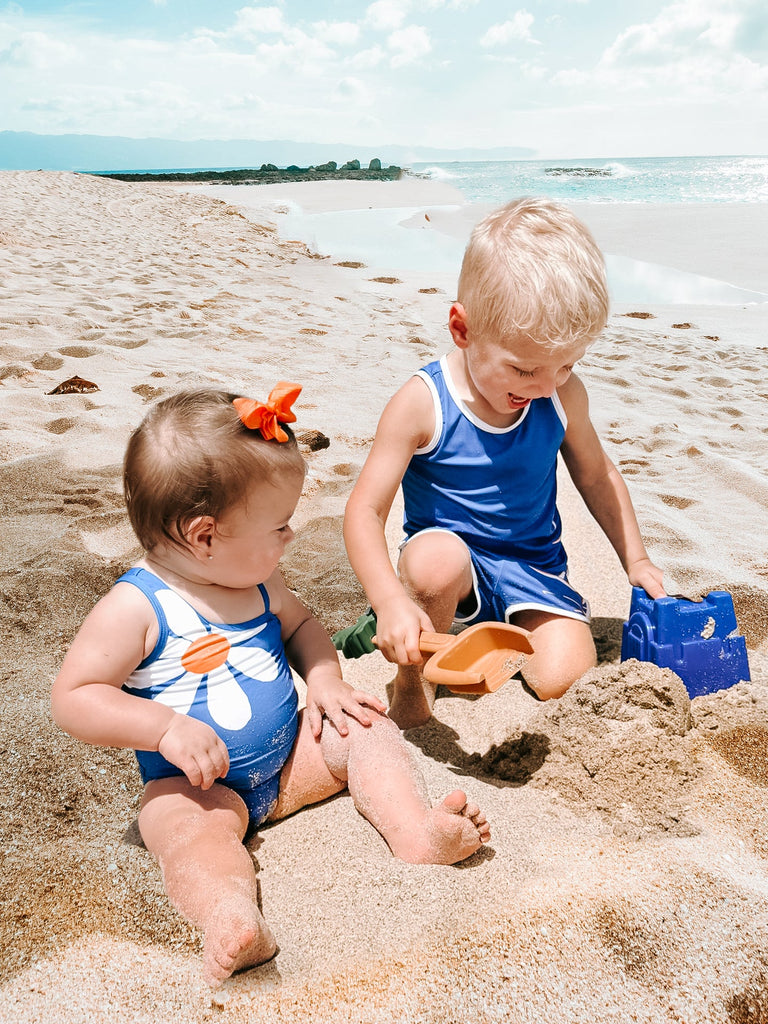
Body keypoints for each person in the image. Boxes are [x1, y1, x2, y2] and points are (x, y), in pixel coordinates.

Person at [51, 386, 490, 988]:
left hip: (290, 764)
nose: (289, 538)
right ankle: (230, 914)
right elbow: (74, 697)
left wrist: (327, 678)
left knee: (365, 726)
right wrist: (165, 727)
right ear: (204, 536)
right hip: (200, 787)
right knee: (179, 831)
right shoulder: (137, 607)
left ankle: (413, 829)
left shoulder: (259, 580)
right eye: (279, 526)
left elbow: (304, 626)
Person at [343, 198, 666, 730]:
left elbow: (597, 474)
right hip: (450, 574)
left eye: (566, 365)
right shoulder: (424, 403)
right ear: (462, 329)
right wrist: (389, 598)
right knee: (434, 562)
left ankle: (489, 639)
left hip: (533, 571)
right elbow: (364, 511)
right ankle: (411, 680)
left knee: (563, 676)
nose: (543, 387)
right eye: (523, 368)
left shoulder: (561, 396)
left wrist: (637, 560)